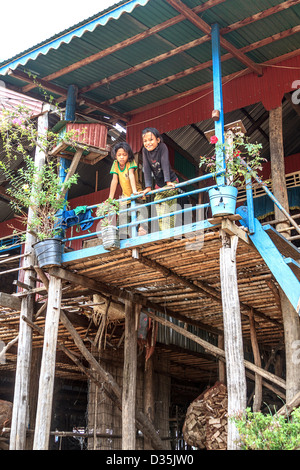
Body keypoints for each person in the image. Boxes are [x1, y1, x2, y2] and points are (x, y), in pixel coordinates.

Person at [141, 127, 178, 231]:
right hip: (159, 185)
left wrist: (168, 182)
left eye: (151, 139)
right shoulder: (145, 151)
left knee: (166, 205)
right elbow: (147, 168)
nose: (148, 143)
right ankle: (165, 232)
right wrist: (148, 187)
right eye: (145, 141)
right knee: (162, 208)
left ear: (158, 140)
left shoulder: (162, 147)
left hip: (172, 182)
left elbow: (165, 163)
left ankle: (170, 232)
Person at [109, 141, 146, 236]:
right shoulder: (115, 164)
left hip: (137, 192)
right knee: (122, 218)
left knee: (141, 211)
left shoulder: (131, 162)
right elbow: (114, 181)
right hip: (125, 196)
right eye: (119, 155)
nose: (122, 157)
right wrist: (110, 198)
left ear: (128, 155)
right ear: (115, 156)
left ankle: (142, 229)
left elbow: (131, 175)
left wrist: (134, 192)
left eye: (124, 155)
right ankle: (122, 236)